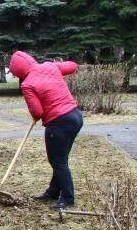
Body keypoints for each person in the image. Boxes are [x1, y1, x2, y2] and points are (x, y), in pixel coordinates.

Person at [8, 50, 83, 210]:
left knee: (58, 161)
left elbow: (37, 112)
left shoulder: (27, 84)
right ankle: (53, 192)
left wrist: (35, 116)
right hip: (75, 117)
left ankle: (67, 198)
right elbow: (72, 66)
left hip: (59, 123)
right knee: (61, 159)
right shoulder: (50, 66)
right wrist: (61, 66)